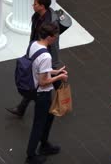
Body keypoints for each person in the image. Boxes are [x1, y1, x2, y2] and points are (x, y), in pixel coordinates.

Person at [7, 0, 61, 117]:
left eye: (35, 4)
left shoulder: (51, 22)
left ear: (42, 6)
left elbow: (54, 43)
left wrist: (51, 59)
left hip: (45, 55)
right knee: (44, 78)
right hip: (37, 50)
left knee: (38, 80)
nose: (33, 5)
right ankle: (61, 96)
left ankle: (22, 108)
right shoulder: (36, 16)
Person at [25, 23, 68, 164]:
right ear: (49, 37)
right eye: (55, 37)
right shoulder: (46, 56)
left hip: (34, 88)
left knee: (49, 118)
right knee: (39, 123)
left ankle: (44, 144)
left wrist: (56, 71)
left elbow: (40, 69)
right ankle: (31, 154)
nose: (56, 39)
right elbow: (44, 81)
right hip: (42, 93)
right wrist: (60, 77)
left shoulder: (33, 45)